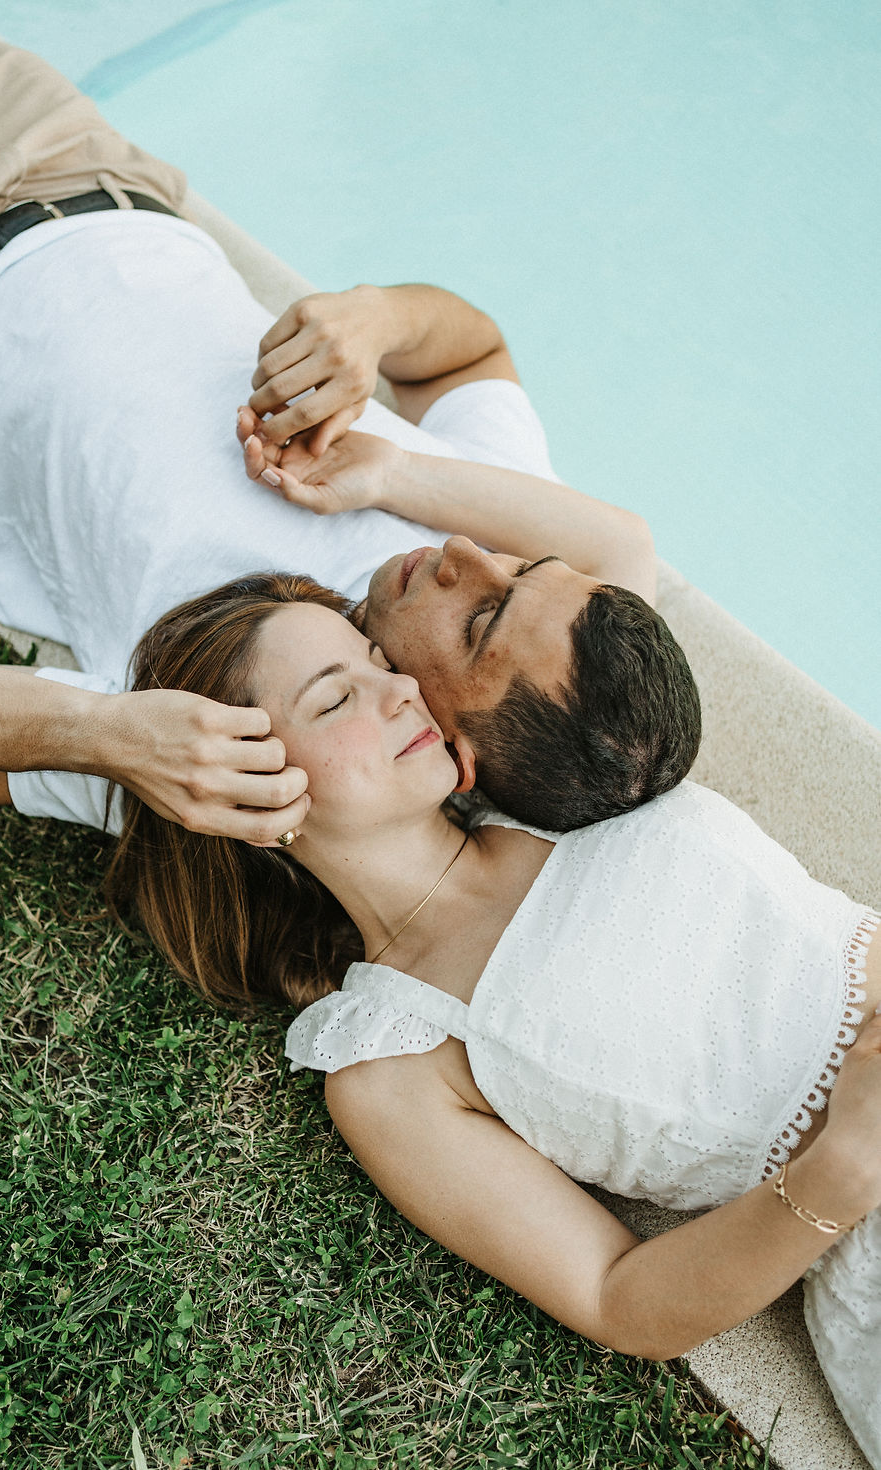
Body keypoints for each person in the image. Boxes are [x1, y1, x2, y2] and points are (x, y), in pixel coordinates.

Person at [102, 569, 881, 1467]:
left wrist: (382, 471)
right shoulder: (393, 1060)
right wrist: (841, 1173)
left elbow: (606, 565)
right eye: (337, 697)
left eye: (373, 657)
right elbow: (619, 1299)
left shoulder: (545, 794)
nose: (400, 686)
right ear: (247, 793)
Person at [0, 4, 698, 841]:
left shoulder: (251, 731)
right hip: (88, 176)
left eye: (481, 621)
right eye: (520, 568)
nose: (470, 557)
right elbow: (468, 356)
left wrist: (94, 736)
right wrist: (378, 321)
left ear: (452, 755)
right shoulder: (500, 529)